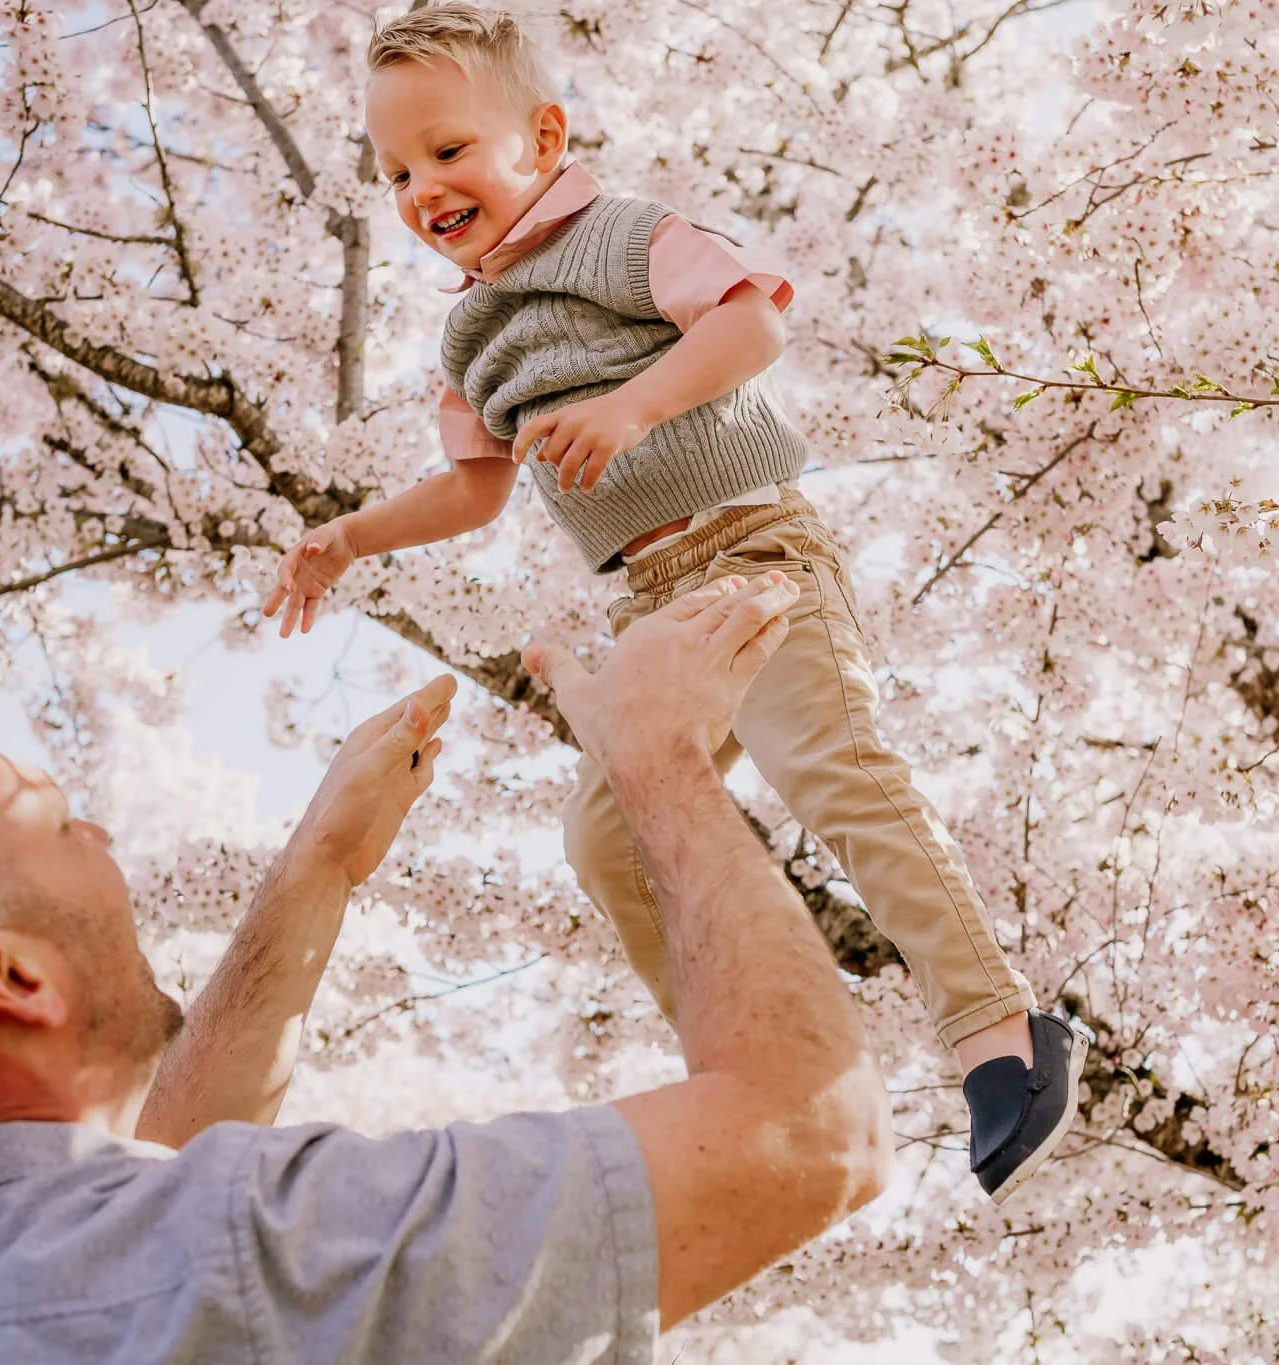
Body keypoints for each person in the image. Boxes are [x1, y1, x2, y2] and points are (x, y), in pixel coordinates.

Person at [260, 1, 1082, 1202]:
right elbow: (474, 487)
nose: (421, 187)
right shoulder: (470, 337)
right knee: (607, 840)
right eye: (394, 172)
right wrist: (348, 535)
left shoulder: (621, 234)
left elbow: (750, 322)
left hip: (750, 550)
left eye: (447, 149)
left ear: (542, 140)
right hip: (651, 610)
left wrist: (633, 405)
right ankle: (749, 1069)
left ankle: (997, 1034)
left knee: (828, 768)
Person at [0, 573, 891, 1362]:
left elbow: (122, 1218)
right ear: (11, 976)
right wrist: (654, 750)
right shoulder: (261, 1252)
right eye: (60, 827)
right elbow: (803, 1131)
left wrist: (318, 868)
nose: (102, 837)